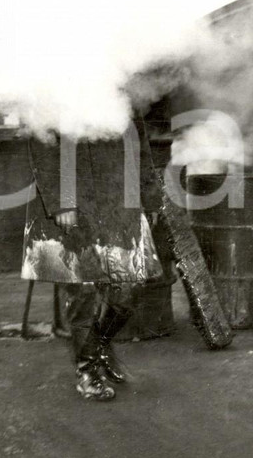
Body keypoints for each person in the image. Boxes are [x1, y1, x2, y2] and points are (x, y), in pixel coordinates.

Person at [20, 119, 165, 401]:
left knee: (129, 288)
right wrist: (62, 202)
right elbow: (42, 143)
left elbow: (139, 143)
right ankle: (87, 370)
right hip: (72, 205)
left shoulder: (120, 81)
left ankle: (99, 344)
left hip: (117, 200)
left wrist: (150, 196)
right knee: (83, 290)